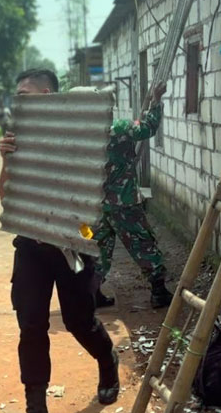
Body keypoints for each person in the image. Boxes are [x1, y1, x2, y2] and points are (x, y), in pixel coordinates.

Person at [0, 69, 119, 412]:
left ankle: (108, 362)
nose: (19, 101)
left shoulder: (75, 135)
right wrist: (8, 162)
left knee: (78, 321)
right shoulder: (17, 140)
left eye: (27, 94)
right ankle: (35, 401)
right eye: (17, 95)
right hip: (31, 246)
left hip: (72, 243)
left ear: (49, 96)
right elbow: (6, 197)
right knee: (32, 324)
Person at [93, 82, 173, 309]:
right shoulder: (120, 127)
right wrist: (156, 101)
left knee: (98, 246)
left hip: (95, 205)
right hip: (124, 202)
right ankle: (158, 291)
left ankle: (92, 293)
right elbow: (147, 128)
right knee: (142, 242)